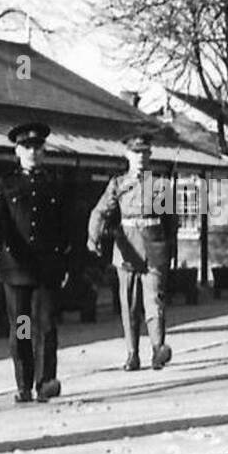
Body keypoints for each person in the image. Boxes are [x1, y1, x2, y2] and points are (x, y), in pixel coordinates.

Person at [0, 121, 69, 403]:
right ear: (17, 151)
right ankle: (24, 383)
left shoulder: (55, 184)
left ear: (44, 151)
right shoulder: (5, 184)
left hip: (46, 270)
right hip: (16, 269)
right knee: (21, 328)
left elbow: (68, 225)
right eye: (26, 147)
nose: (33, 152)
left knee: (45, 327)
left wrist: (68, 261)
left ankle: (45, 383)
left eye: (38, 147)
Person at [87, 129, 176, 371]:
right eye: (136, 153)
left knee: (154, 298)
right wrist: (93, 236)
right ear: (127, 155)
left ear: (150, 155)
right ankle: (132, 353)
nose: (140, 157)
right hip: (126, 248)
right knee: (129, 303)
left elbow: (170, 221)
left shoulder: (160, 185)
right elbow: (101, 211)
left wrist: (169, 248)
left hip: (154, 246)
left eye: (145, 153)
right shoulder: (117, 184)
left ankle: (158, 349)